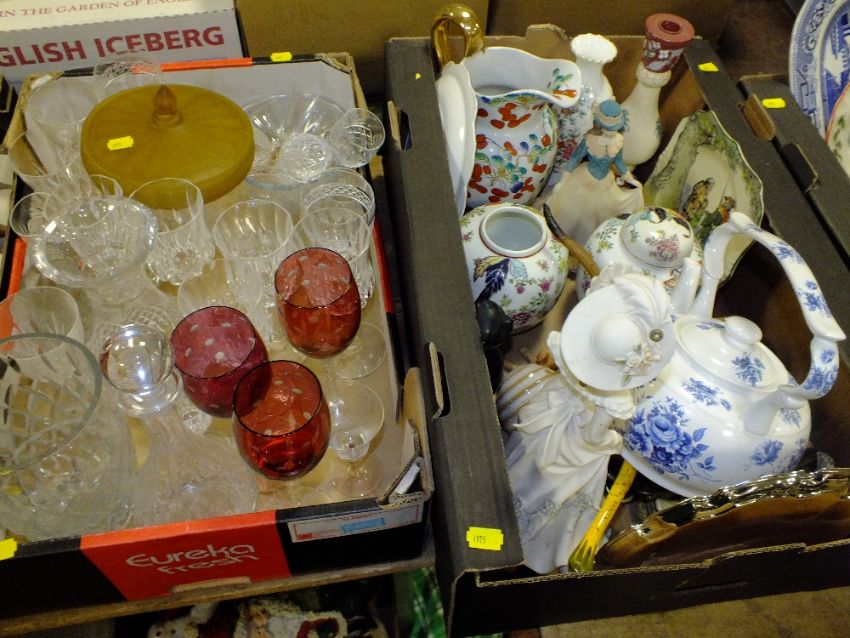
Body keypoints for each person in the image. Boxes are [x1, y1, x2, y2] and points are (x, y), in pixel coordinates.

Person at [546, 99, 644, 246]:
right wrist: (563, 180)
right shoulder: (589, 139)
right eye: (609, 126)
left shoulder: (618, 141)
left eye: (614, 127)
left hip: (605, 183)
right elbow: (575, 159)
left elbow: (619, 163)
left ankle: (588, 243)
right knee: (572, 213)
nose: (611, 131)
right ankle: (564, 238)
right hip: (584, 178)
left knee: (599, 215)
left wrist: (630, 179)